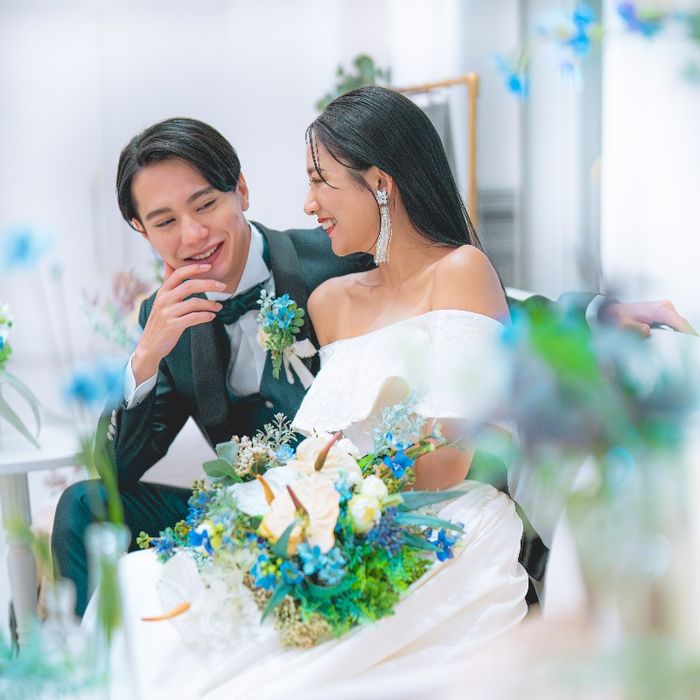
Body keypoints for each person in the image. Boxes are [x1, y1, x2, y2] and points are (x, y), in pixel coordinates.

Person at [52, 114, 693, 621]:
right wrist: (144, 358)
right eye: (164, 221)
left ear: (240, 191)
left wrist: (595, 313)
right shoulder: (161, 324)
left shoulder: (335, 253)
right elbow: (117, 473)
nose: (192, 235)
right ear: (141, 230)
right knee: (82, 505)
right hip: (257, 505)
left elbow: (469, 310)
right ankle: (89, 663)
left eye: (206, 205)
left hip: (367, 505)